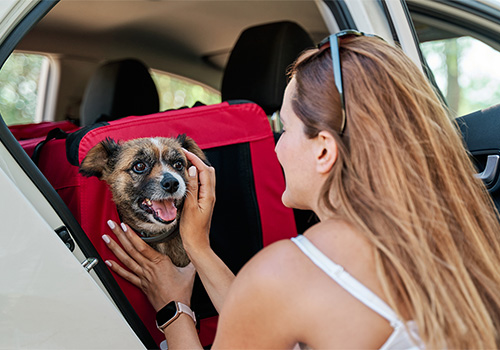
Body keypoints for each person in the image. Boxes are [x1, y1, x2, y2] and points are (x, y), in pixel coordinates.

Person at [102, 30, 500, 349]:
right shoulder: (474, 241)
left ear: (325, 149)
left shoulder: (288, 272)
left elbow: (270, 301)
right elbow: (265, 314)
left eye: (286, 129)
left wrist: (173, 308)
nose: (275, 146)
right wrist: (198, 248)